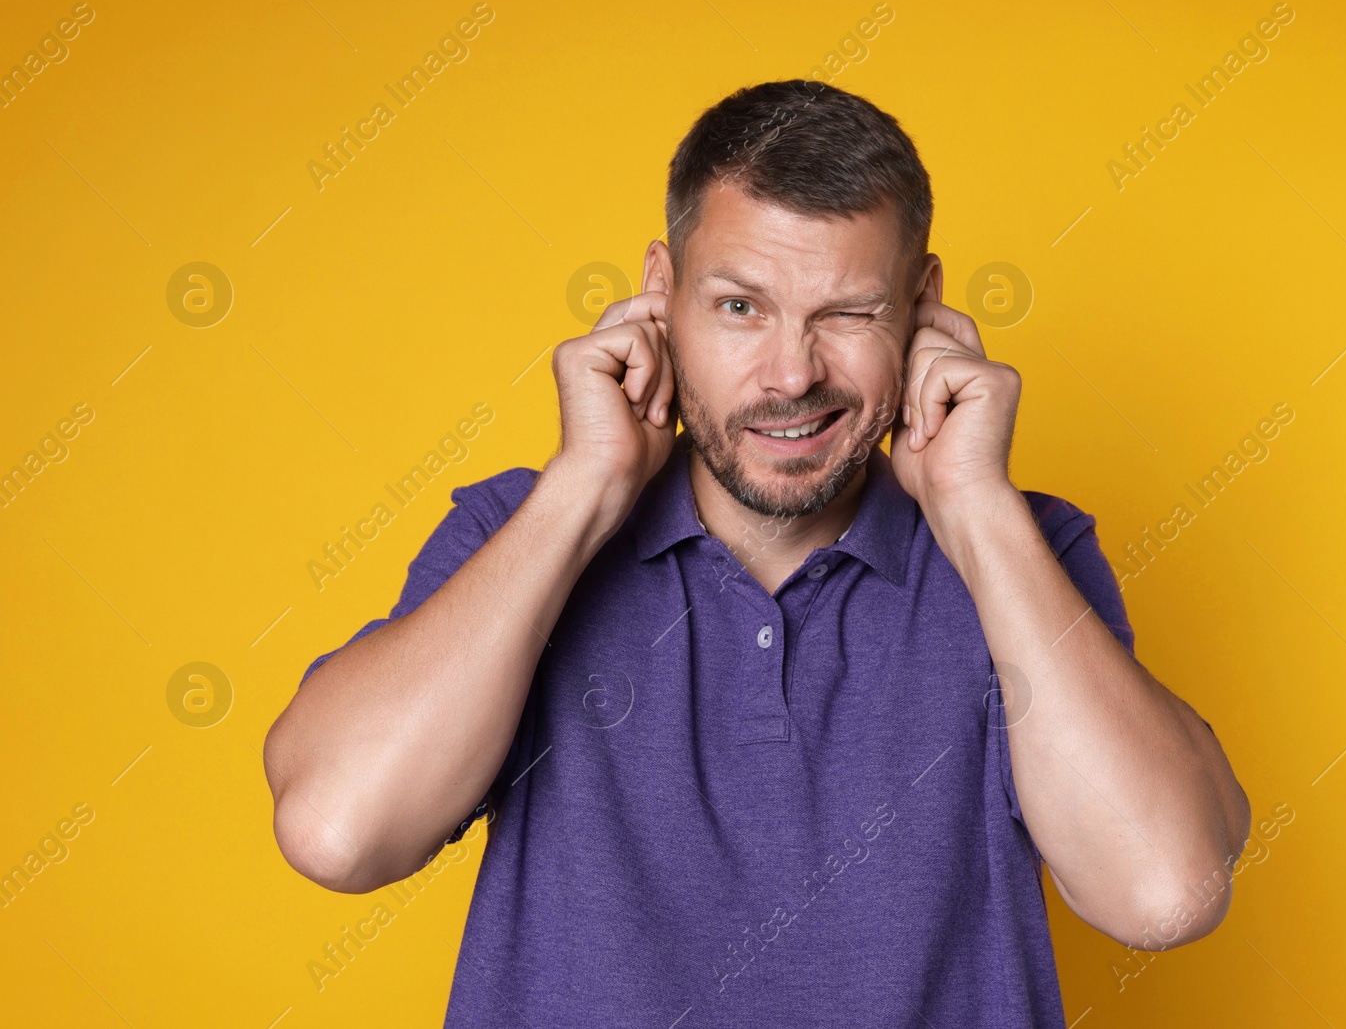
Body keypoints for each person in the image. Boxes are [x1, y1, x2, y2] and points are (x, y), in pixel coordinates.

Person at [263, 78, 1250, 1028]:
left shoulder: (1024, 553)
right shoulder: (518, 535)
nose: (792, 373)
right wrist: (586, 486)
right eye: (740, 306)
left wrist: (977, 510)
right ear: (661, 297)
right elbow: (340, 831)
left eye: (850, 314)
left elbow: (1164, 892)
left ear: (923, 305)